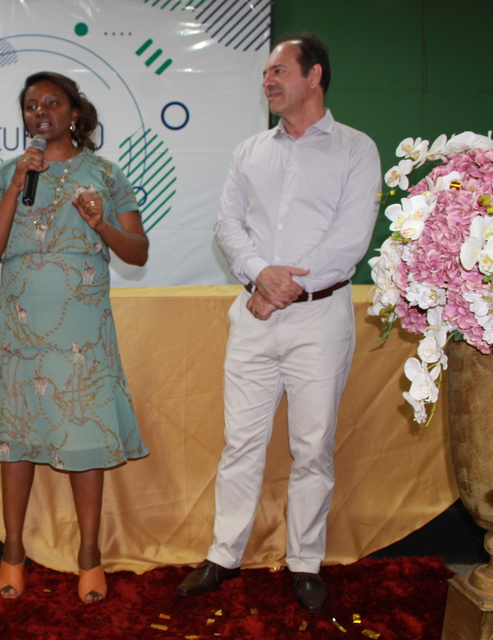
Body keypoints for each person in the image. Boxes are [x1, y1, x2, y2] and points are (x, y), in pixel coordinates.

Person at [175, 34, 381, 613]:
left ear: (315, 76)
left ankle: (305, 562)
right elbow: (227, 225)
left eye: (279, 70)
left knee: (312, 445)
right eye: (265, 73)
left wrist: (285, 289)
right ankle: (223, 554)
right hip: (254, 315)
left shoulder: (356, 149)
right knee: (240, 442)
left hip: (320, 318)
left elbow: (349, 241)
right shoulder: (249, 151)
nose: (268, 80)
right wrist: (261, 276)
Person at [0, 71, 149, 603]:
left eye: (52, 103)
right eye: (31, 105)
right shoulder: (8, 172)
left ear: (75, 113)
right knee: (17, 439)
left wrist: (101, 225)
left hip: (82, 331)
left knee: (86, 435)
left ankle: (90, 555)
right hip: (20, 329)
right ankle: (12, 551)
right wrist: (13, 187)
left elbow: (137, 251)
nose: (40, 112)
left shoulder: (105, 173)